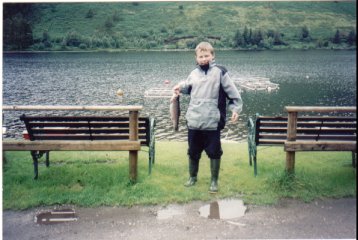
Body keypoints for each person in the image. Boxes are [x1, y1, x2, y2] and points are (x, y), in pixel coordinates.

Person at [172, 42, 243, 193]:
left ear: (213, 56)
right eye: (200, 56)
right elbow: (188, 87)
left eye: (206, 56)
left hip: (213, 121)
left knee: (214, 152)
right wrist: (179, 87)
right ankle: (192, 178)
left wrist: (235, 109)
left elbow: (233, 94)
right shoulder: (193, 73)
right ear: (196, 58)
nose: (203, 59)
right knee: (193, 152)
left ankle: (214, 181)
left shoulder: (220, 72)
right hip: (194, 121)